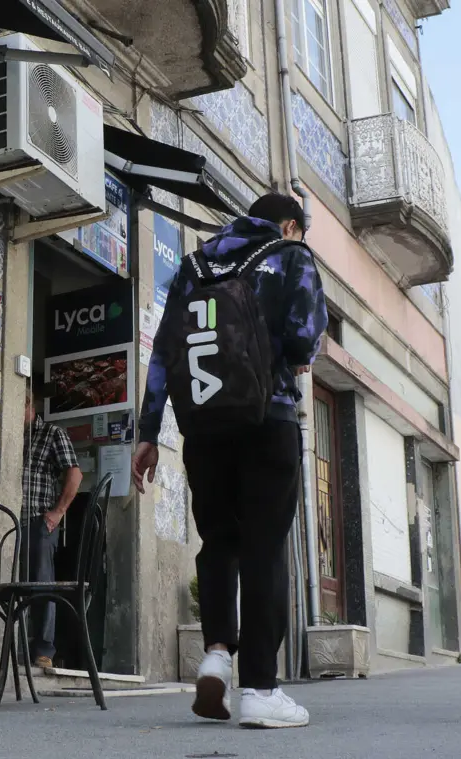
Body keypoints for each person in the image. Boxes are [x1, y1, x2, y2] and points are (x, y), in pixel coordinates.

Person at [132, 193, 327, 729]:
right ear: (290, 225)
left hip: (205, 428)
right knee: (266, 547)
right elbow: (306, 338)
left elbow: (163, 351)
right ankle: (261, 689)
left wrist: (149, 432)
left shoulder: (195, 265)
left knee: (219, 540)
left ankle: (217, 653)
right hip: (270, 419)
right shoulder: (291, 256)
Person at [22, 384, 83, 669]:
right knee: (16, 585)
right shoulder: (11, 434)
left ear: (27, 405)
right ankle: (17, 647)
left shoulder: (51, 433)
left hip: (38, 520)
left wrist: (58, 512)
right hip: (11, 520)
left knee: (41, 584)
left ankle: (43, 650)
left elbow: (75, 473)